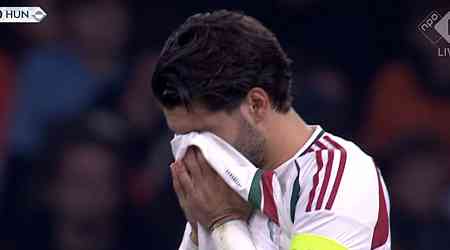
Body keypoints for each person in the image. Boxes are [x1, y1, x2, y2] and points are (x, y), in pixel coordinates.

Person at [151, 10, 390, 250]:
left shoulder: (341, 174)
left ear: (256, 105)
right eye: (181, 137)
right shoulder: (223, 189)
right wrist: (197, 233)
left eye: (203, 135)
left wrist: (224, 222)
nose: (191, 155)